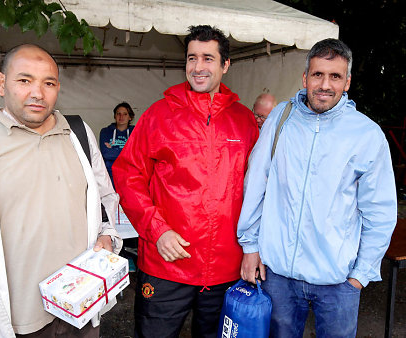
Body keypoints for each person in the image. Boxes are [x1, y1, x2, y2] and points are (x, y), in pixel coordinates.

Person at [0, 44, 121, 338]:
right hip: (6, 320)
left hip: (78, 311)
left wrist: (107, 234)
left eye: (49, 83)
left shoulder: (78, 133)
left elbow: (106, 199)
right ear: (1, 83)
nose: (38, 93)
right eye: (24, 80)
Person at [237, 38, 397, 337]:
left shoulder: (367, 134)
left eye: (335, 76)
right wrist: (250, 245)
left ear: (347, 82)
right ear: (305, 78)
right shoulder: (280, 119)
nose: (325, 84)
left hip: (338, 283)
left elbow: (380, 211)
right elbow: (256, 184)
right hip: (278, 276)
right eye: (318, 74)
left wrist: (359, 275)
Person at [113, 25, 259, 338]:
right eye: (192, 58)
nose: (198, 67)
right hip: (167, 264)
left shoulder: (244, 120)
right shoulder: (158, 115)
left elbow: (259, 190)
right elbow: (128, 174)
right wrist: (157, 229)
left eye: (208, 58)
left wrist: (254, 249)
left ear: (225, 65)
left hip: (226, 268)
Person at [99, 102, 135, 186]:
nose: (121, 117)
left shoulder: (136, 132)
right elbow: (106, 153)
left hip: (130, 175)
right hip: (111, 175)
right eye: (118, 114)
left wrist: (113, 149)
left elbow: (137, 154)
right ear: (115, 116)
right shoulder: (105, 131)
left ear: (130, 117)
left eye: (125, 114)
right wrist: (128, 151)